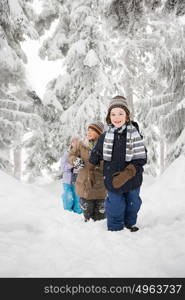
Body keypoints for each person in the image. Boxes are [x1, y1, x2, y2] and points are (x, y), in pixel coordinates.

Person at [88, 96, 147, 232]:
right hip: (112, 179)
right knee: (115, 204)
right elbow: (96, 153)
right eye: (113, 114)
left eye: (121, 113)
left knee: (133, 203)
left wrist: (128, 172)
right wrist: (90, 169)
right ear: (109, 117)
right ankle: (115, 229)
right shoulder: (105, 137)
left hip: (132, 179)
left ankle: (129, 224)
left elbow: (141, 158)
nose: (117, 117)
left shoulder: (135, 135)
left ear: (127, 116)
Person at [68, 121, 107, 222]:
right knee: (87, 216)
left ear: (99, 133)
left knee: (100, 218)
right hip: (85, 184)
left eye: (92, 131)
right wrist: (75, 161)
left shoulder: (105, 145)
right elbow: (71, 155)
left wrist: (101, 164)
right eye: (88, 130)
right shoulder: (81, 144)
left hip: (100, 185)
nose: (89, 133)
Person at [60, 137, 82, 214]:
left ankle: (77, 213)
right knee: (69, 197)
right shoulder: (67, 154)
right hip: (67, 180)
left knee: (77, 198)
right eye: (74, 142)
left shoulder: (80, 154)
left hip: (77, 180)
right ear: (71, 143)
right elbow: (63, 167)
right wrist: (72, 164)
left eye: (78, 142)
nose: (76, 143)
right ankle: (67, 212)